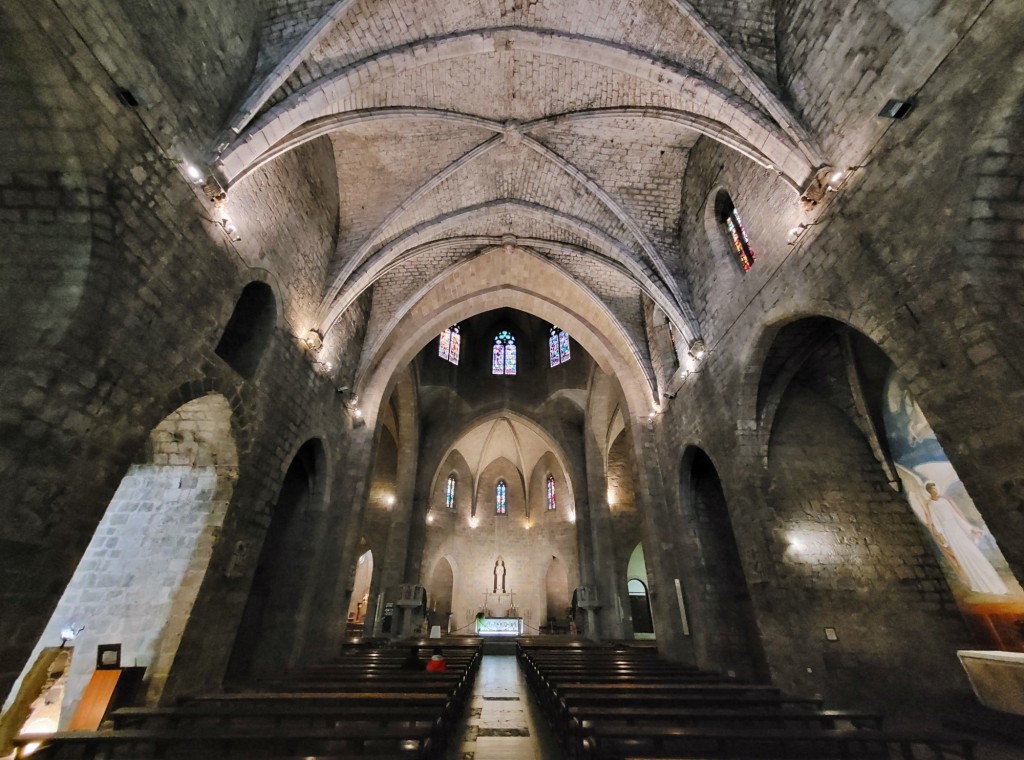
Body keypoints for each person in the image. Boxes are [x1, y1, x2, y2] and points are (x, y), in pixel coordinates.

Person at [923, 482, 1007, 595]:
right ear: (929, 491)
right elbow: (936, 521)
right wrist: (941, 535)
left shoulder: (945, 500)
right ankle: (979, 585)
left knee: (976, 555)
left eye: (935, 488)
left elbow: (956, 516)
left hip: (958, 528)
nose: (935, 491)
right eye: (932, 490)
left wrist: (970, 528)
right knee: (963, 557)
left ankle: (994, 585)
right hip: (948, 532)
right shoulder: (931, 504)